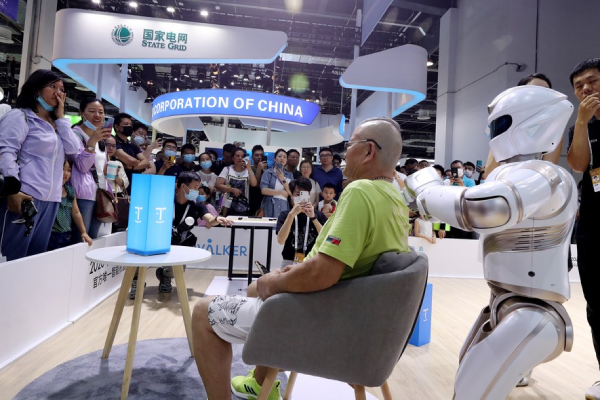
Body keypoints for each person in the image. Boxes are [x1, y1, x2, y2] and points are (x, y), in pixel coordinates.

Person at [191, 117, 410, 400]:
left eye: (350, 144)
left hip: (320, 318)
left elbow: (322, 274)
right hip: (357, 321)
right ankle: (259, 383)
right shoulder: (395, 198)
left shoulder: (360, 191)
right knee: (255, 289)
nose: (345, 152)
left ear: (368, 151)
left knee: (203, 311)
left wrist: (274, 282)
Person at [0, 69, 81, 261]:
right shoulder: (20, 116)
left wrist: (61, 118)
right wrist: (12, 189)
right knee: (12, 257)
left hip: (51, 200)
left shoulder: (56, 125)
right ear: (36, 90)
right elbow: (6, 150)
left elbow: (74, 148)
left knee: (35, 258)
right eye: (53, 87)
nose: (58, 93)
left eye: (61, 89)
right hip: (25, 195)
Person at [566, 58, 600, 400]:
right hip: (592, 227)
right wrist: (581, 122)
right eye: (579, 86)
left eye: (593, 81)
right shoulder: (581, 125)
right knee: (597, 306)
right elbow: (578, 164)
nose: (586, 89)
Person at [154, 171, 231, 293]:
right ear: (183, 187)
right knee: (140, 260)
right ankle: (136, 282)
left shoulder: (197, 204)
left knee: (177, 270)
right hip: (159, 237)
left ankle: (164, 275)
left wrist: (217, 219)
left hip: (180, 240)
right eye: (195, 187)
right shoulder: (164, 200)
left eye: (198, 187)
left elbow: (209, 219)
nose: (197, 191)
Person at [484, 73, 560, 178]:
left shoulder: (552, 131)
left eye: (546, 91)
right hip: (502, 183)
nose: (541, 95)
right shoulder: (504, 124)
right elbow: (489, 172)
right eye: (534, 91)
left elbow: (547, 175)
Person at [69, 97, 112, 242]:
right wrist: (92, 141)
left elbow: (101, 168)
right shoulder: (75, 135)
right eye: (92, 111)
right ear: (82, 113)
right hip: (81, 194)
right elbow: (82, 166)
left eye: (101, 112)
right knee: (80, 239)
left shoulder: (100, 139)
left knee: (94, 239)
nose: (97, 115)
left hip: (99, 193)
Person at [276, 178, 327, 267]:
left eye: (303, 194)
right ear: (292, 196)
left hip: (312, 260)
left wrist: (313, 218)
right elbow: (280, 240)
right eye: (297, 194)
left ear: (309, 196)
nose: (300, 197)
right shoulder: (285, 215)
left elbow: (325, 238)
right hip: (289, 261)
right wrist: (291, 215)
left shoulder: (318, 215)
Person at [47, 160, 93, 251]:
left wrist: (83, 232)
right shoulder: (49, 190)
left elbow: (76, 213)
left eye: (69, 170)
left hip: (66, 235)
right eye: (62, 169)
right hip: (50, 235)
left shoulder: (70, 191)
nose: (66, 173)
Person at [113, 113, 150, 193]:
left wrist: (131, 167)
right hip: (118, 186)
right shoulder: (113, 142)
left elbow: (146, 162)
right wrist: (138, 163)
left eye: (130, 124)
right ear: (117, 127)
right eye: (126, 124)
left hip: (134, 185)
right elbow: (131, 161)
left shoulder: (132, 145)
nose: (129, 126)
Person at [215, 147, 257, 216]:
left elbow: (254, 184)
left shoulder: (247, 171)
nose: (240, 158)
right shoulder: (227, 169)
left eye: (242, 156)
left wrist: (249, 168)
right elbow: (218, 185)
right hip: (227, 206)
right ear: (232, 158)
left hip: (244, 205)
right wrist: (231, 189)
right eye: (237, 156)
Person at [260, 149, 293, 218]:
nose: (282, 158)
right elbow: (264, 190)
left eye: (284, 157)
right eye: (279, 156)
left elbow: (290, 193)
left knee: (282, 222)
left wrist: (283, 180)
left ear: (286, 160)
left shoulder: (289, 175)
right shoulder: (268, 173)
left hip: (284, 204)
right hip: (270, 204)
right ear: (275, 159)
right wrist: (280, 192)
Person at [249, 145, 268, 216]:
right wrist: (259, 169)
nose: (259, 157)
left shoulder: (268, 170)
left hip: (264, 199)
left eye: (261, 155)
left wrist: (265, 170)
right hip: (252, 199)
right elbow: (255, 185)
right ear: (252, 157)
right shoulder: (250, 169)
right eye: (256, 155)